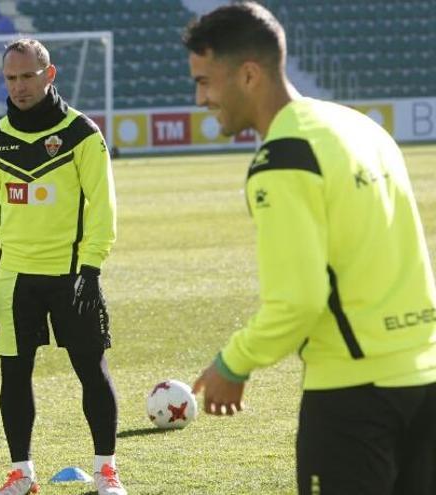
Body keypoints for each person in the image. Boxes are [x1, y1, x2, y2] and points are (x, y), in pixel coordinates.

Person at [184, 3, 436, 494]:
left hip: (354, 398)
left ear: (249, 74)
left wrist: (232, 364)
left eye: (205, 81)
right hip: (424, 377)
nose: (200, 99)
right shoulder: (362, 128)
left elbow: (297, 301)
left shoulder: (283, 159)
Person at [0, 39, 125, 495]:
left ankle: (106, 471)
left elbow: (102, 207)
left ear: (49, 74)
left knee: (91, 371)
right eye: (11, 78)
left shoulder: (81, 134)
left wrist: (91, 267)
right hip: (15, 278)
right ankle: (21, 474)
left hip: (72, 275)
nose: (19, 86)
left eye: (27, 76)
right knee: (14, 376)